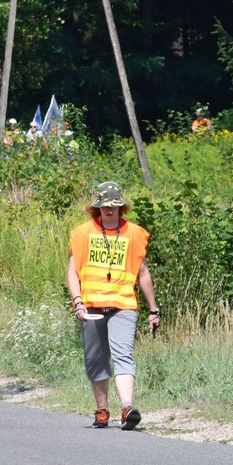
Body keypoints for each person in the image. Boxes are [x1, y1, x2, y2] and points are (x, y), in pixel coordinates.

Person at [66, 181, 160, 431]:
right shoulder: (82, 233)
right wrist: (78, 302)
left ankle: (127, 407)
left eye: (113, 205)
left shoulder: (135, 233)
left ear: (121, 207)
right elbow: (72, 273)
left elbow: (143, 273)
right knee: (95, 359)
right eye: (104, 205)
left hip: (123, 305)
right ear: (96, 208)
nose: (109, 209)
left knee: (123, 355)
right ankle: (101, 410)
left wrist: (153, 309)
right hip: (92, 306)